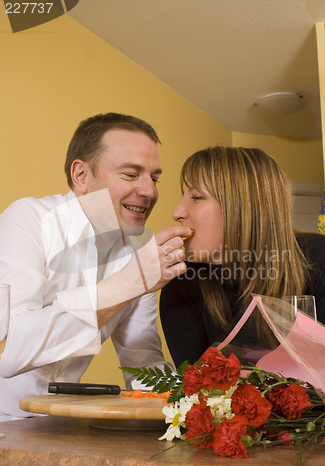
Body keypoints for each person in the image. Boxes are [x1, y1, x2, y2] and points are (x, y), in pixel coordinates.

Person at [0, 112, 191, 419]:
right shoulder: (27, 221)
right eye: (131, 175)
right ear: (81, 176)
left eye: (154, 178)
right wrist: (129, 283)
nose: (150, 191)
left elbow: (142, 362)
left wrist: (199, 405)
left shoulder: (135, 258)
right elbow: (12, 352)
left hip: (55, 431)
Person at [160, 146, 325, 369]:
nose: (177, 212)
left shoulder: (318, 257)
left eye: (197, 197)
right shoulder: (182, 281)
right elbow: (194, 392)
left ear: (243, 206)